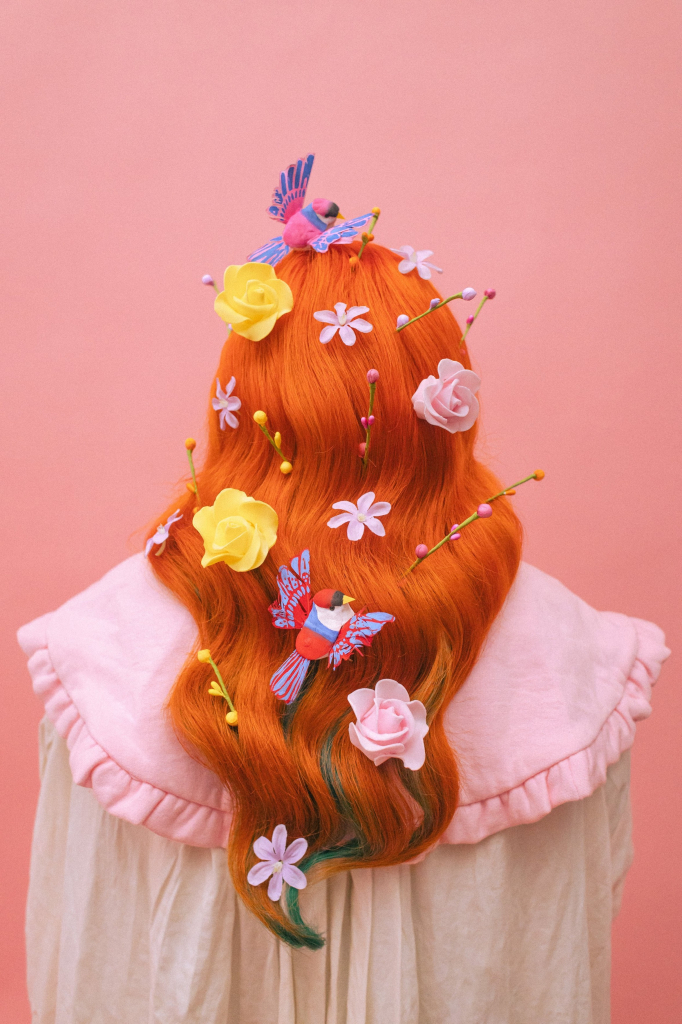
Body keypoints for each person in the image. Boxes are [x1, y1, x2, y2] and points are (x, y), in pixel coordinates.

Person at [18, 162, 669, 1023]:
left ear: (241, 401)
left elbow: (81, 959)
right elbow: (568, 944)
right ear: (443, 403)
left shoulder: (106, 649)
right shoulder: (570, 657)